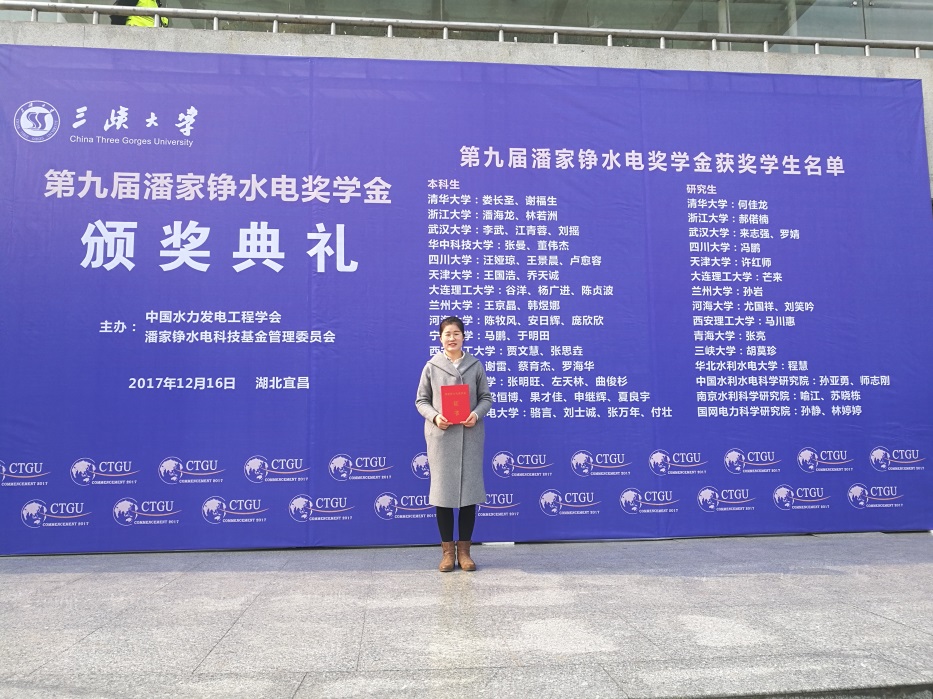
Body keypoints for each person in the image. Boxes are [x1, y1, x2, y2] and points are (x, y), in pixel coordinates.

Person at [415, 317, 492, 572]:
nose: (452, 338)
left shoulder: (475, 365)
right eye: (447, 334)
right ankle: (448, 553)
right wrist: (435, 417)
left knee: (469, 495)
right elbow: (421, 401)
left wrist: (476, 414)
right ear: (440, 338)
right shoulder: (432, 366)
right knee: (443, 495)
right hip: (442, 437)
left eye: (456, 333)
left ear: (463, 337)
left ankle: (465, 552)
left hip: (469, 436)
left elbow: (486, 398)